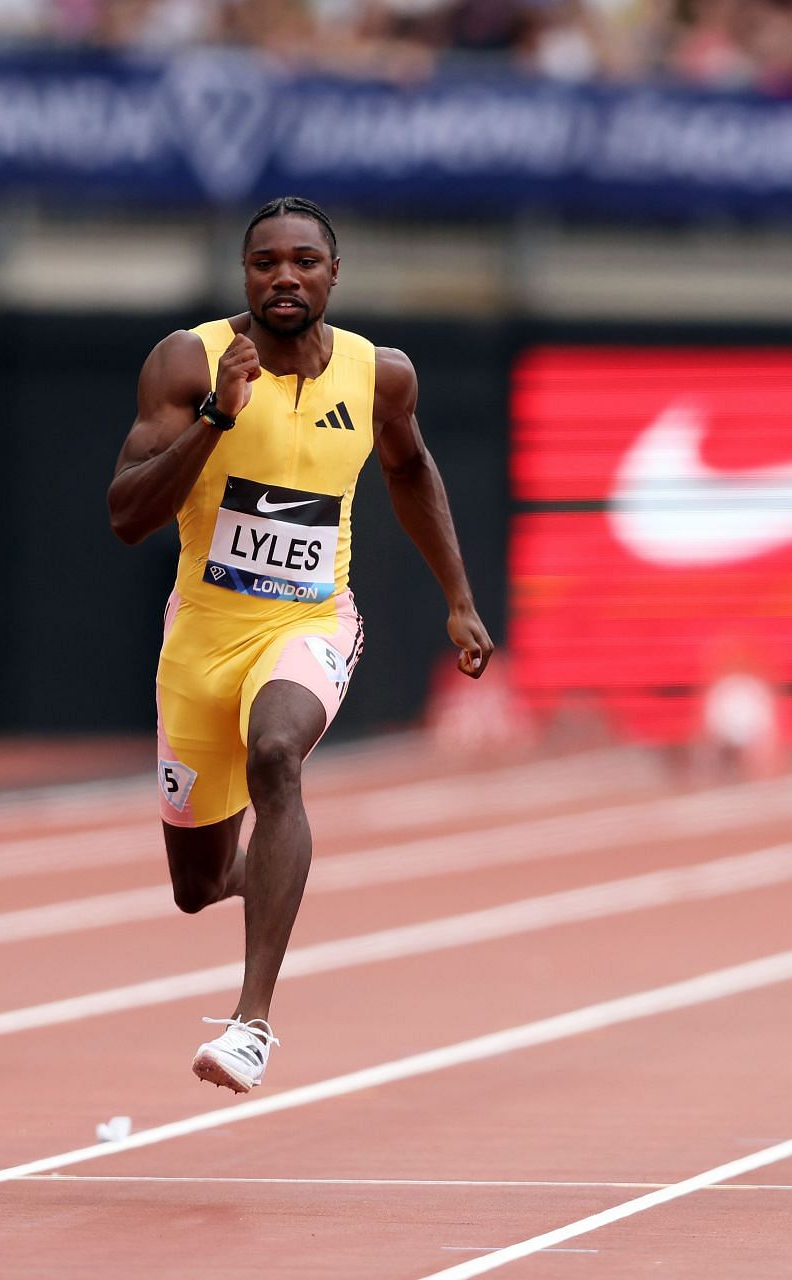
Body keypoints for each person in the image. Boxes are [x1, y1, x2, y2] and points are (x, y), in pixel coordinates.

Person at [108, 195, 494, 1092]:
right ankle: (272, 869)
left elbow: (409, 468)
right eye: (266, 262)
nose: (285, 276)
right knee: (198, 885)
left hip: (311, 620)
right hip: (202, 640)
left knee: (278, 755)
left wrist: (459, 599)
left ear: (332, 274)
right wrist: (214, 415)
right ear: (245, 276)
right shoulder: (188, 360)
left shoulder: (378, 374)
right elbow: (127, 515)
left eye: (305, 261)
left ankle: (251, 1022)